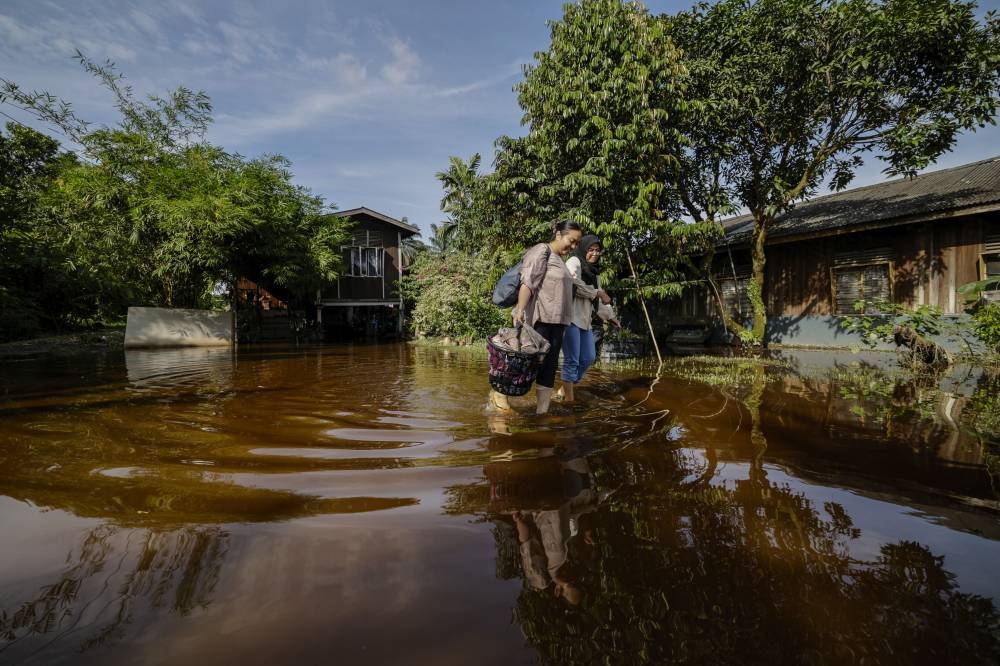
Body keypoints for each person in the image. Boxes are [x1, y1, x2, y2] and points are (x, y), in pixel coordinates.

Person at [489, 219, 583, 415]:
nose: (573, 246)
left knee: (548, 368)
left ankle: (542, 413)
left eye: (576, 243)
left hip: (558, 323)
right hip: (538, 320)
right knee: (524, 363)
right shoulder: (542, 250)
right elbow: (528, 282)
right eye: (571, 240)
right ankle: (499, 395)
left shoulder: (561, 261)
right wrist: (520, 309)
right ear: (558, 234)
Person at [557, 235, 619, 403]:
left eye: (598, 250)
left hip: (584, 320)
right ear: (584, 249)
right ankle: (569, 401)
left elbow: (598, 299)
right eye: (591, 250)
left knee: (588, 358)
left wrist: (611, 317)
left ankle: (564, 390)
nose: (595, 253)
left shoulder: (594, 273)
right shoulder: (574, 262)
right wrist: (596, 292)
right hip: (569, 318)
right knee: (572, 359)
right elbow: (572, 284)